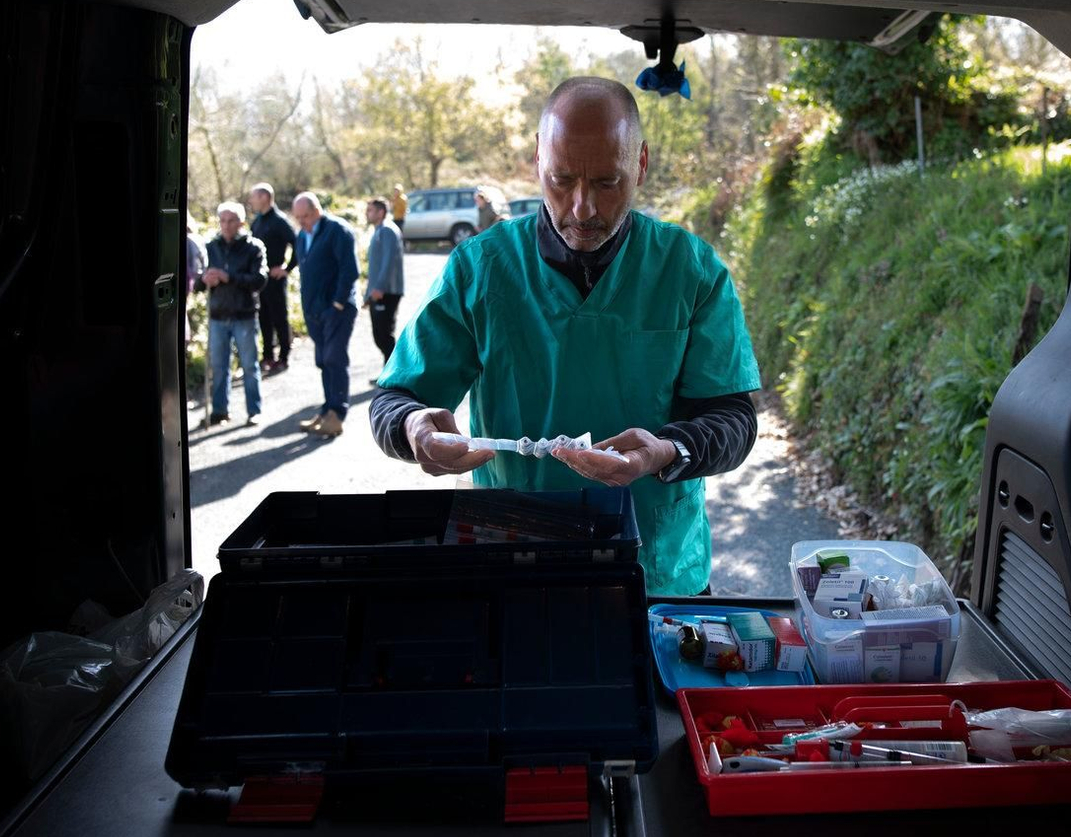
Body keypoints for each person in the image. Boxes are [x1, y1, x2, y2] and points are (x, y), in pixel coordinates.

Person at [369, 78, 760, 595]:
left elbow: (733, 418)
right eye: (561, 180)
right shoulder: (481, 269)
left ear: (640, 164)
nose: (582, 209)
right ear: (537, 158)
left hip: (657, 572)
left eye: (606, 182)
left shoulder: (690, 270)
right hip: (514, 560)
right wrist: (413, 428)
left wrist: (666, 450)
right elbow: (395, 400)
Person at [195, 201, 267, 427]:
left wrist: (229, 277)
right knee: (219, 366)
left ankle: (254, 410)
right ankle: (219, 410)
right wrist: (204, 280)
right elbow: (197, 282)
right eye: (223, 220)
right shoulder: (210, 246)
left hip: (243, 315)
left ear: (241, 223)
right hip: (218, 315)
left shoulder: (253, 247)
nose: (226, 225)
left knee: (248, 365)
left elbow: (259, 280)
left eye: (231, 221)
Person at [292, 191, 358, 438]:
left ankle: (337, 415)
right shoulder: (302, 234)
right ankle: (327, 410)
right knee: (322, 360)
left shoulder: (337, 230)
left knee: (334, 359)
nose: (301, 221)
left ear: (317, 210)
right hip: (314, 311)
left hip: (337, 310)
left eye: (305, 216)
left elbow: (350, 270)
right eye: (298, 217)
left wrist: (338, 304)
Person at [246, 182, 298, 376]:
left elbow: (297, 243)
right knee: (264, 318)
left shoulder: (279, 221)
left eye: (254, 197)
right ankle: (267, 355)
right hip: (260, 281)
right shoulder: (257, 222)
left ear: (265, 198)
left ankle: (283, 357)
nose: (251, 201)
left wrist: (287, 268)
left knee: (279, 318)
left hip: (276, 280)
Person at [363, 197, 405, 369]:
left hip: (387, 291)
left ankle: (394, 371)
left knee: (384, 334)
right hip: (378, 292)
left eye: (371, 210)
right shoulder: (379, 230)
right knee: (379, 334)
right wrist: (368, 294)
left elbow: (388, 261)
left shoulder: (387, 230)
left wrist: (379, 287)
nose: (367, 213)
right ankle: (391, 369)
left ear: (381, 212)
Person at [184, 216, 207, 343]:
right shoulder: (195, 239)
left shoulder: (191, 240)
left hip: (187, 282)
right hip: (189, 283)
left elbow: (201, 265)